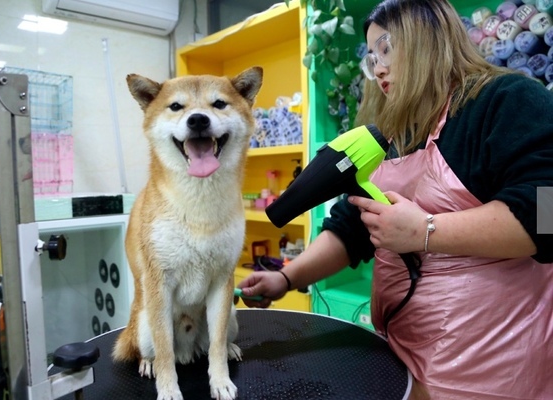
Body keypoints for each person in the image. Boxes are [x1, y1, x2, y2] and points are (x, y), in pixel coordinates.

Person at [236, 0, 553, 398]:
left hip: (492, 365)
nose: (378, 67)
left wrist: (426, 231)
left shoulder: (507, 100)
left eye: (386, 48)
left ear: (428, 37)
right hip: (401, 351)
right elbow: (351, 227)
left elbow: (548, 217)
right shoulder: (393, 135)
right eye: (371, 57)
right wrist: (286, 277)